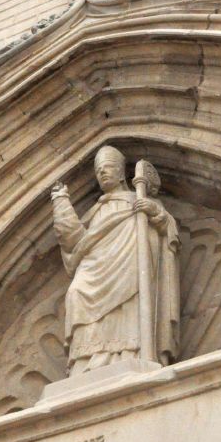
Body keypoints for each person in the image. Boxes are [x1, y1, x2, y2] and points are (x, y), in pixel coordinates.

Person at [50, 145, 179, 375]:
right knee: (76, 292)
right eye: (99, 171)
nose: (102, 173)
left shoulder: (136, 201)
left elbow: (168, 231)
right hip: (97, 266)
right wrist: (61, 202)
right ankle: (86, 361)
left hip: (129, 264)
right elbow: (75, 240)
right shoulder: (95, 211)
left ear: (121, 173)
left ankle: (132, 353)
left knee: (130, 299)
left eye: (107, 168)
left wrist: (154, 211)